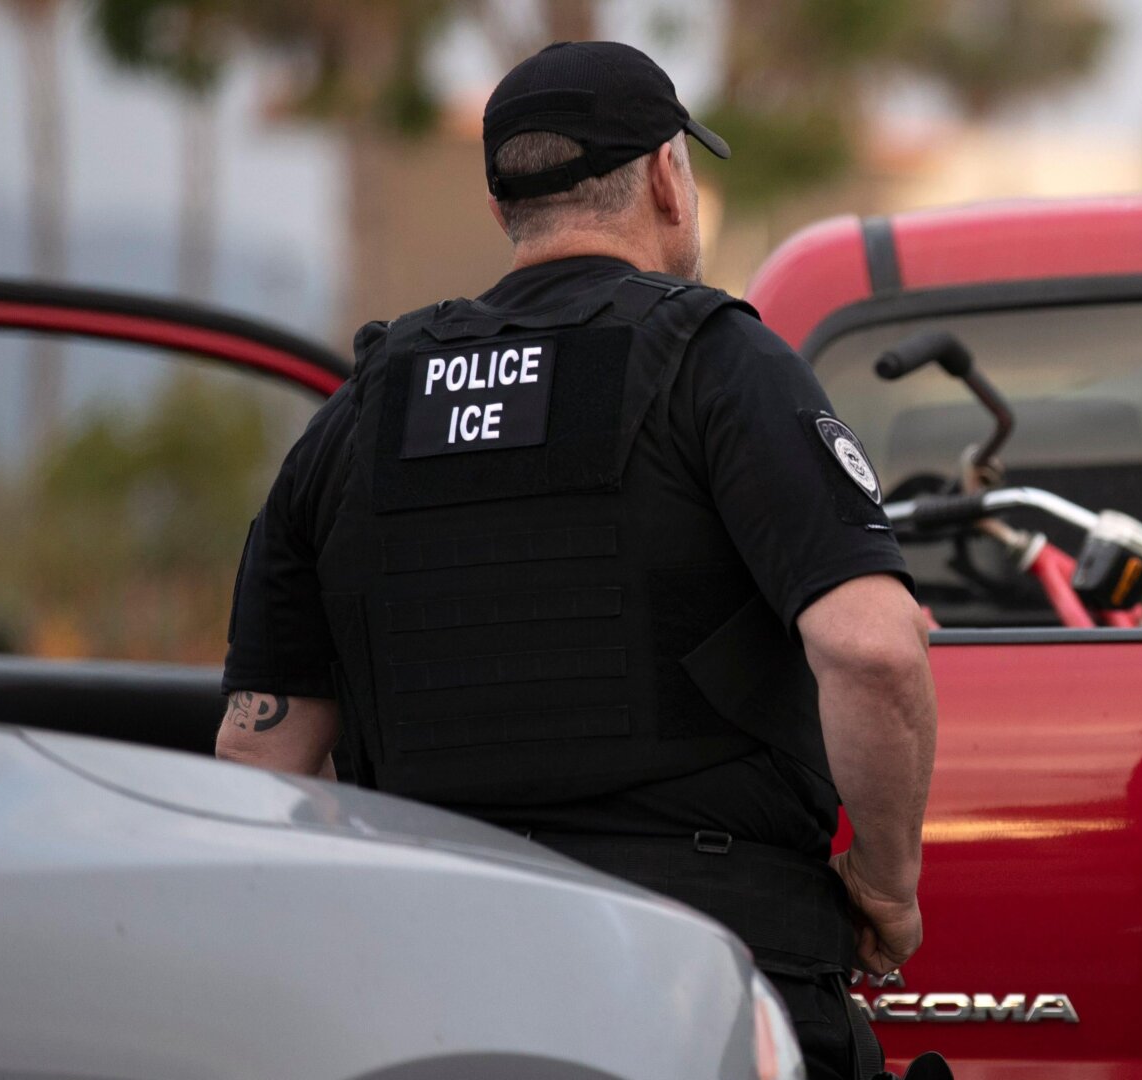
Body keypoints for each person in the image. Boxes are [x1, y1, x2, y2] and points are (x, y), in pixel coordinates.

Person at [213, 41, 938, 1080]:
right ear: (663, 178)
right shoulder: (718, 363)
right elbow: (873, 651)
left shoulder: (361, 412)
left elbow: (260, 764)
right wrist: (885, 887)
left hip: (434, 988)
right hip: (700, 971)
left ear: (510, 205)